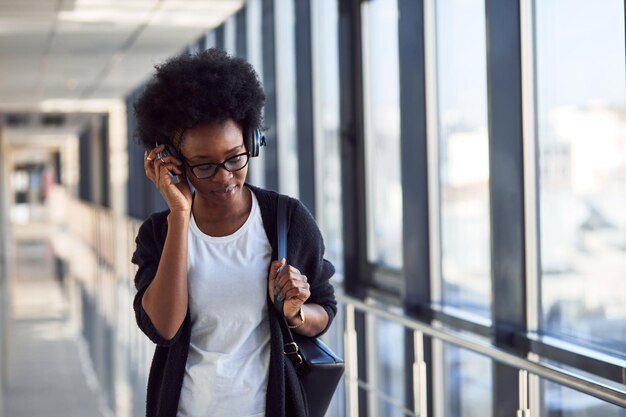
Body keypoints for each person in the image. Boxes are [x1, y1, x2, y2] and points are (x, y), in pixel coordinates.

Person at [130, 48, 337, 417]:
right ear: (174, 162)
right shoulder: (158, 235)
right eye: (205, 165)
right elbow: (163, 328)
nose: (225, 176)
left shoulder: (285, 219)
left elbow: (325, 310)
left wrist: (296, 313)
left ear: (253, 142)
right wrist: (180, 215)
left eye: (235, 157)